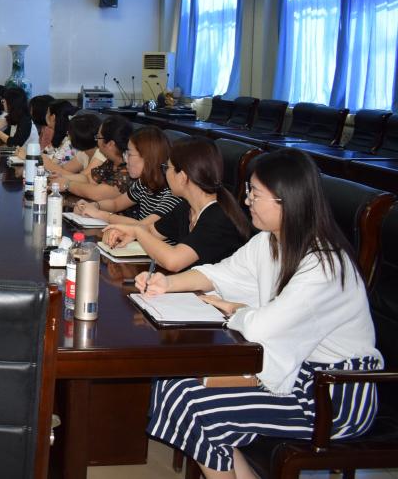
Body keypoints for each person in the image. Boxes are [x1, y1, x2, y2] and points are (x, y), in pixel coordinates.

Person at [140, 149, 381, 478]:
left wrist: (239, 310)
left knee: (195, 405)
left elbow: (260, 328)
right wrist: (167, 283)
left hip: (333, 394)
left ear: (286, 200)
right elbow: (220, 274)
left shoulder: (324, 265)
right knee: (173, 386)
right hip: (292, 374)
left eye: (255, 193)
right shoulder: (269, 242)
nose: (246, 200)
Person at [102, 137, 252, 271]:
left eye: (167, 168)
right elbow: (152, 231)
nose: (165, 173)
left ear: (182, 176)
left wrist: (136, 232)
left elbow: (174, 261)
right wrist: (125, 232)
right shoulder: (186, 208)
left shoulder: (218, 216)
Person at [74, 126, 181, 224]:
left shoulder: (172, 192)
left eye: (129, 154)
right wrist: (94, 206)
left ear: (148, 158)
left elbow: (144, 226)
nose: (126, 160)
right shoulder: (143, 182)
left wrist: (99, 214)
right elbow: (116, 204)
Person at [53, 115, 131, 200]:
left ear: (110, 144)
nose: (96, 141)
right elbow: (89, 179)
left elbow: (97, 193)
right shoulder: (111, 162)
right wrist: (61, 177)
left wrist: (67, 185)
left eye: (98, 137)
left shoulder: (128, 168)